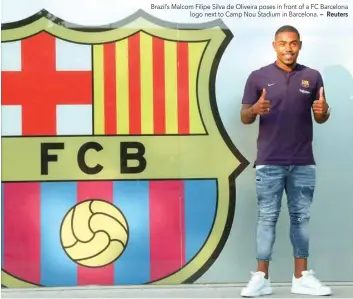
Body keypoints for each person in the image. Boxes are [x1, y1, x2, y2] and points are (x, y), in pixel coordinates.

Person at [239, 25, 332, 297]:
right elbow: (245, 116)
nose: (288, 49)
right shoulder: (258, 77)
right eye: (282, 43)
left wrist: (324, 111)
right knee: (266, 218)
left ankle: (301, 277)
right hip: (269, 161)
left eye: (292, 44)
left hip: (303, 161)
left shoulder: (312, 77)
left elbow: (321, 116)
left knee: (300, 219)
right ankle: (261, 278)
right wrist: (254, 110)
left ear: (299, 45)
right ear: (274, 45)